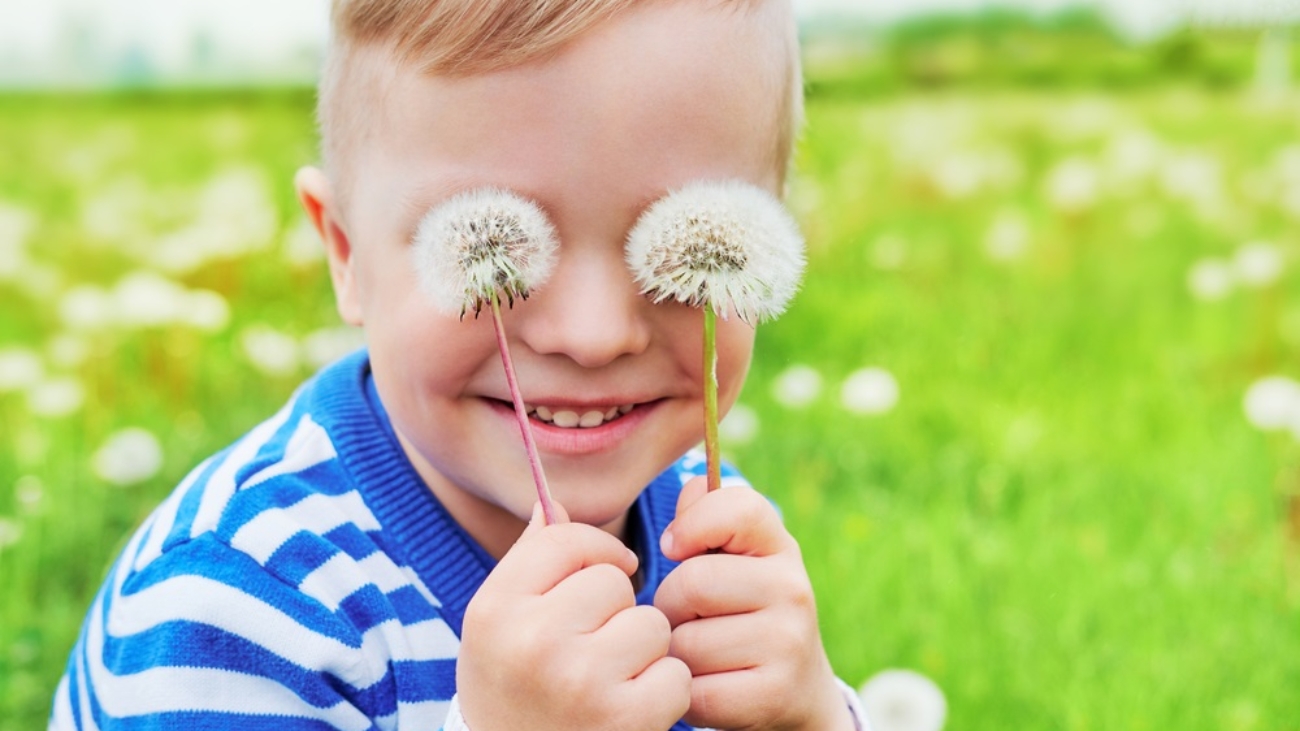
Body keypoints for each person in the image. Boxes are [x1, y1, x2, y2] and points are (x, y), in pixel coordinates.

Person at [51, 0, 870, 729]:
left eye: (683, 243)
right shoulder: (240, 608)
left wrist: (815, 715)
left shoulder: (709, 522)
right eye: (494, 245)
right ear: (345, 253)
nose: (593, 336)